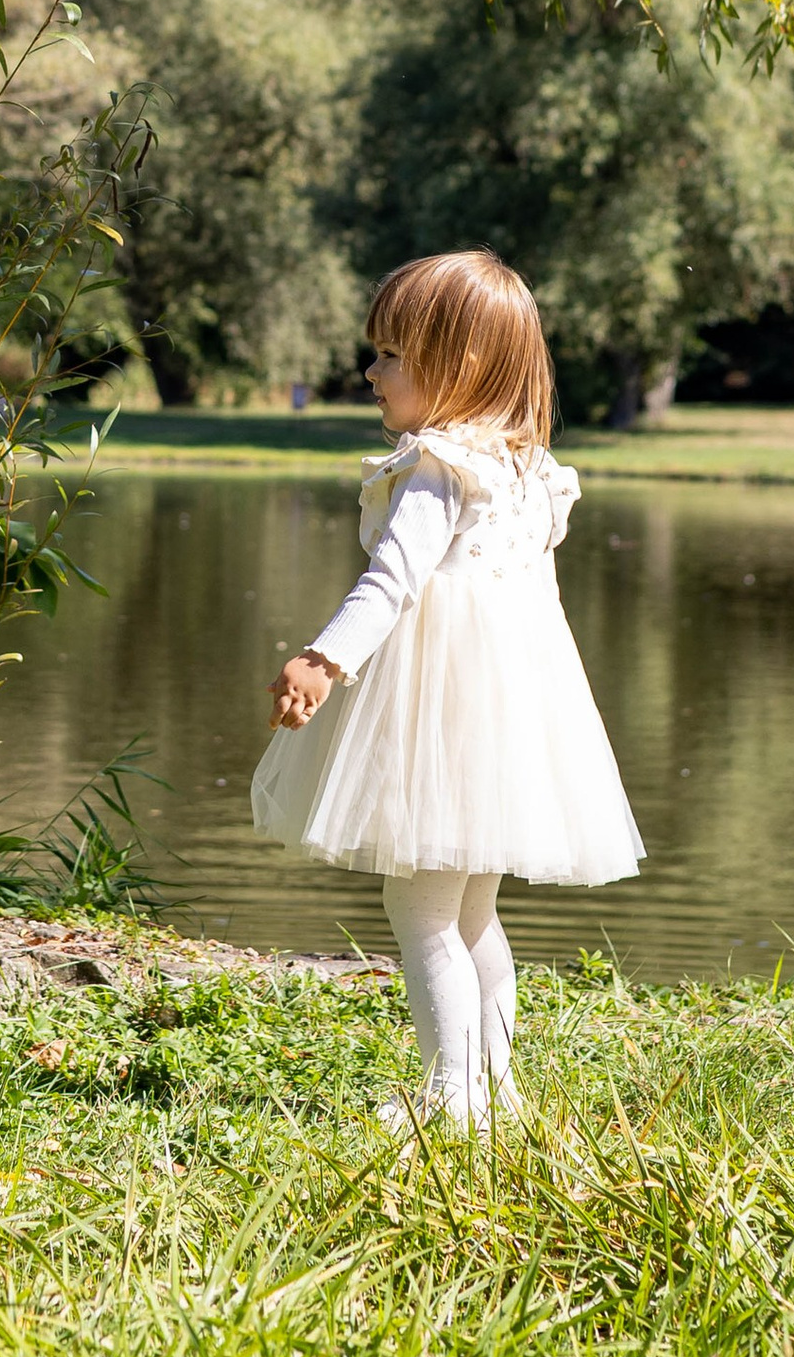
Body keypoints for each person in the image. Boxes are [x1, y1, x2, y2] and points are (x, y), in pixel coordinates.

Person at [253, 245, 643, 1125]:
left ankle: (451, 1097)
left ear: (457, 365)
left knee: (419, 900)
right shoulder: (525, 468)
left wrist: (323, 658)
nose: (371, 369)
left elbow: (393, 579)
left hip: (444, 710)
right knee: (472, 911)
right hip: (513, 715)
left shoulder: (437, 463)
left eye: (392, 353)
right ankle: (494, 1088)